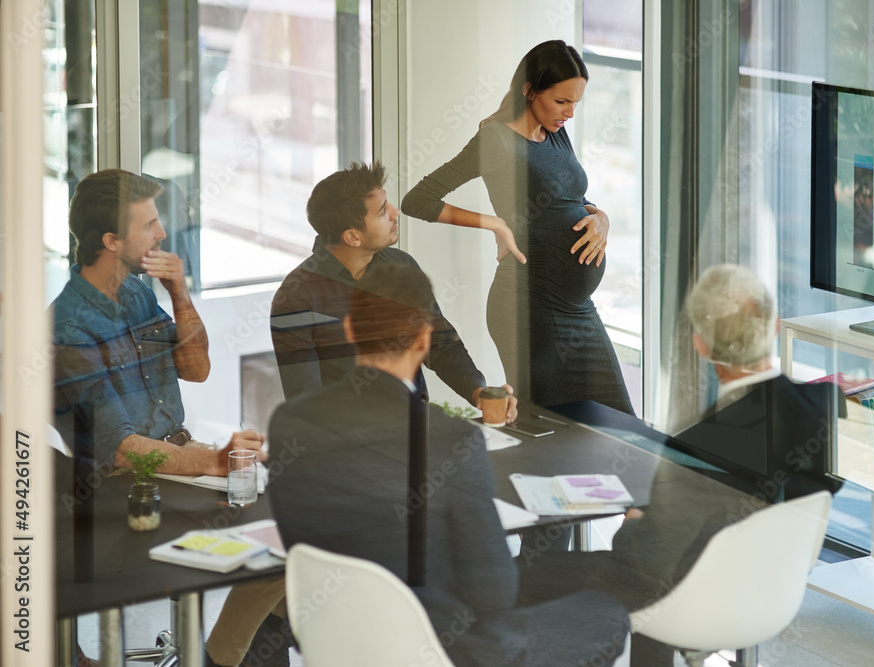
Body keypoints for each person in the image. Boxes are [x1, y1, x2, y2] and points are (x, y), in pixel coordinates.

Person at [268, 263, 630, 666]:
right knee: (606, 613)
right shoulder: (451, 441)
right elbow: (494, 590)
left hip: (336, 640)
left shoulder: (290, 423)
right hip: (449, 651)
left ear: (350, 331)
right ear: (424, 339)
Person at [515, 264, 843, 664]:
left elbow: (643, 561)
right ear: (774, 327)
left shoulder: (698, 447)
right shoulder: (823, 408)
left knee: (512, 575)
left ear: (700, 344)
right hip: (774, 593)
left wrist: (635, 522)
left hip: (693, 599)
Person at [49, 169, 277, 667]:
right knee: (269, 553)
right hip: (130, 485)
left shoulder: (134, 291)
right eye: (149, 224)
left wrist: (178, 290)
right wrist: (213, 461)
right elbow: (124, 450)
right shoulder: (68, 327)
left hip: (179, 459)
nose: (161, 234)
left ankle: (222, 657)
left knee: (285, 540)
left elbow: (196, 369)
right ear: (112, 241)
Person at [401, 39, 633, 415]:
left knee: (619, 424)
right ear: (529, 90)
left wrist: (601, 217)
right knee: (553, 429)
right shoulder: (496, 140)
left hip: (577, 308)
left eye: (576, 102)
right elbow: (418, 200)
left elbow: (568, 199)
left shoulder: (554, 131)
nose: (570, 113)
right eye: (562, 101)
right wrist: (495, 223)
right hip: (530, 307)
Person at [270, 161, 516, 422]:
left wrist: (478, 392)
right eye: (381, 211)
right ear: (352, 237)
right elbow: (307, 402)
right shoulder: (296, 297)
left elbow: (440, 344)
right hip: (349, 445)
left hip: (413, 430)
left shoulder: (400, 265)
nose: (395, 212)